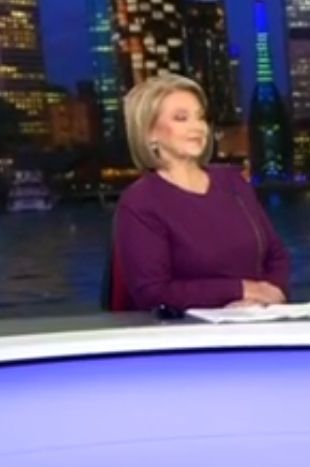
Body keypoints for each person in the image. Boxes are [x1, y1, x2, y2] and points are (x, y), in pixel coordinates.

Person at [112, 72, 290, 313]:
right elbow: (152, 292)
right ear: (149, 132)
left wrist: (273, 292)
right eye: (181, 118)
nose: (197, 127)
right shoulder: (140, 202)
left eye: (200, 117)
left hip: (259, 320)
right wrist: (241, 290)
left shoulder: (233, 183)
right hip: (187, 332)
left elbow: (277, 256)